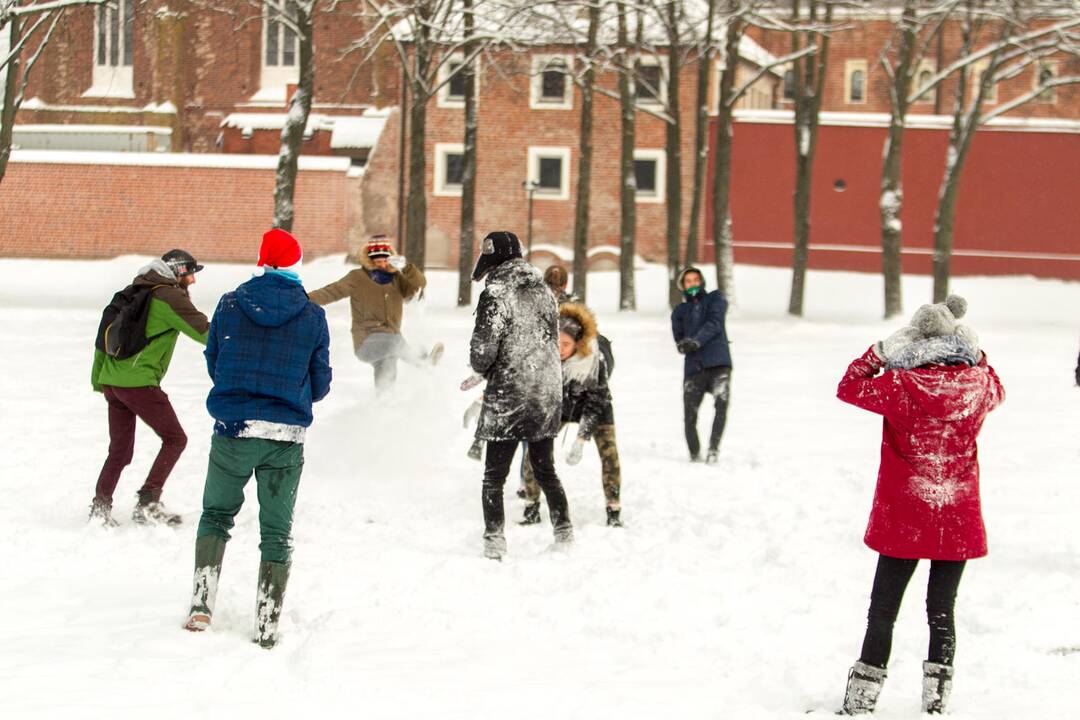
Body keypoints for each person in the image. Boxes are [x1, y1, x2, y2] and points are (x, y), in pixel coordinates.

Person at [835, 296, 1004, 715]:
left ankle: (861, 702)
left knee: (883, 610)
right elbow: (996, 383)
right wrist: (974, 352)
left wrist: (881, 352)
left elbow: (848, 386)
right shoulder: (978, 386)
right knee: (941, 610)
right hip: (958, 514)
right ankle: (935, 703)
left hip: (904, 515)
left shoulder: (899, 386)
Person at [183, 228, 331, 649]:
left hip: (234, 428)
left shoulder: (231, 304)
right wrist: (293, 392)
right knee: (276, 533)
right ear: (295, 266)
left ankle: (200, 604)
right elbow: (320, 381)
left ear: (262, 262)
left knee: (215, 515)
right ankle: (267, 624)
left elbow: (215, 360)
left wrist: (240, 391)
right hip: (285, 436)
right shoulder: (312, 315)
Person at [469, 230, 573, 560]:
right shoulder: (544, 291)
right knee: (545, 469)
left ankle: (494, 540)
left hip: (508, 395)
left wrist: (480, 367)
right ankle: (564, 532)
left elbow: (483, 350)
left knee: (494, 476)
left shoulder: (496, 292)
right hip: (545, 392)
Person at [89, 250, 209, 527]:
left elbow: (102, 336)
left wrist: (100, 379)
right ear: (178, 273)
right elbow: (206, 333)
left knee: (119, 450)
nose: (193, 279)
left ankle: (100, 507)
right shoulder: (169, 297)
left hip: (112, 381)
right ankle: (148, 502)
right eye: (190, 273)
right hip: (138, 383)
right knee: (175, 439)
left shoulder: (133, 290)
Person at [521, 302, 623, 527]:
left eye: (566, 344)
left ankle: (613, 508)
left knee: (610, 455)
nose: (560, 349)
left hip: (597, 407)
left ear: (579, 343)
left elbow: (597, 401)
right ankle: (531, 505)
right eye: (557, 342)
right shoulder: (548, 357)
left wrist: (581, 438)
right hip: (563, 405)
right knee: (534, 449)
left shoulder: (595, 361)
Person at [307, 235, 441, 394]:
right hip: (366, 341)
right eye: (377, 261)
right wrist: (304, 299)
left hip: (390, 342)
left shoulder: (397, 279)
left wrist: (406, 268)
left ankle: (382, 407)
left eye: (385, 260)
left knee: (388, 367)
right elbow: (331, 292)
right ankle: (422, 361)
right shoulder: (357, 278)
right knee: (394, 343)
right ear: (370, 260)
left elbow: (420, 284)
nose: (382, 264)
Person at [670, 267, 732, 464]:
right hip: (694, 366)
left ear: (702, 281)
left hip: (718, 362)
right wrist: (683, 345)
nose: (692, 284)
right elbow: (678, 337)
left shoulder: (715, 299)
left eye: (696, 279)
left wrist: (696, 341)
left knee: (721, 405)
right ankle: (694, 453)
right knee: (689, 413)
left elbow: (715, 323)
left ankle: (713, 449)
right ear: (682, 286)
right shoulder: (679, 311)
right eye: (688, 281)